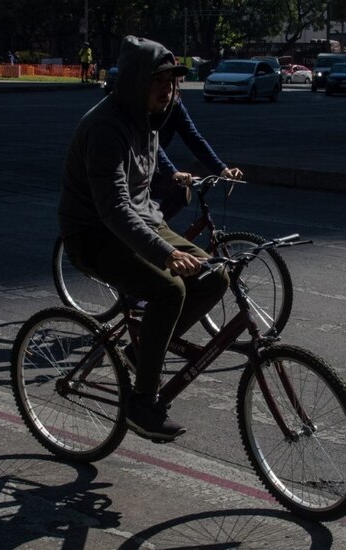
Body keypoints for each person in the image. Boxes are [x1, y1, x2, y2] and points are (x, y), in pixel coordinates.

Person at [58, 36, 229, 441]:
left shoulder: (147, 120)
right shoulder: (105, 127)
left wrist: (176, 182)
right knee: (169, 290)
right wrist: (164, 251)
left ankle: (140, 352)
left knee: (216, 276)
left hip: (141, 221)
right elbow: (114, 207)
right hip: (93, 234)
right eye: (160, 83)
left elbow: (144, 190)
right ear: (136, 82)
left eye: (172, 85)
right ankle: (142, 402)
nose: (168, 93)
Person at [151, 97, 244, 220]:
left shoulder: (175, 105)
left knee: (180, 191)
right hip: (133, 166)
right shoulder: (143, 104)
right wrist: (173, 172)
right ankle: (144, 232)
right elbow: (152, 144)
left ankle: (153, 229)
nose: (169, 88)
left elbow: (194, 139)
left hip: (152, 164)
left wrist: (222, 169)